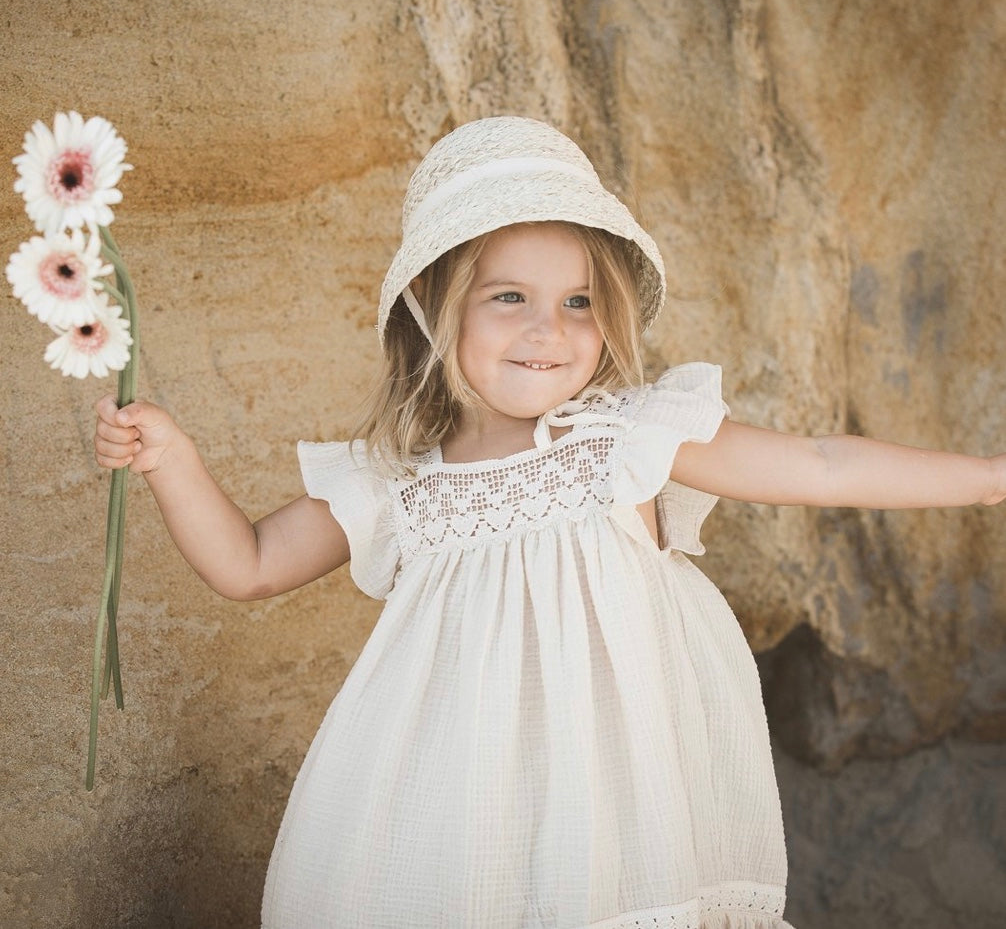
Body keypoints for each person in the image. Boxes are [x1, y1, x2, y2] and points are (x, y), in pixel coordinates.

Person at [94, 116, 1005, 929]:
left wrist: (990, 481)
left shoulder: (625, 439)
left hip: (619, 809)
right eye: (509, 297)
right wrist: (170, 458)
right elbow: (248, 562)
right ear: (433, 308)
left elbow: (820, 463)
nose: (550, 328)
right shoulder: (403, 485)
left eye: (578, 302)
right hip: (467, 814)